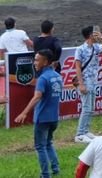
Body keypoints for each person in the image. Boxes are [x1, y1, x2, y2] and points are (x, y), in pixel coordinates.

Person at [15, 49, 62, 178]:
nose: (34, 62)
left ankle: (45, 174)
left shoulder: (42, 78)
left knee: (40, 146)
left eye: (37, 60)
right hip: (54, 118)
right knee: (48, 143)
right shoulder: (58, 76)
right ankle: (56, 170)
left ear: (45, 62)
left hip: (42, 118)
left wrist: (24, 113)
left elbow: (37, 97)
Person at [74, 25, 102, 143]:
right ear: (90, 35)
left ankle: (86, 131)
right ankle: (80, 134)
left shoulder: (96, 46)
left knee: (91, 108)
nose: (97, 34)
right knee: (86, 107)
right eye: (95, 33)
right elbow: (77, 67)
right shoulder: (80, 49)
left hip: (94, 81)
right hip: (85, 81)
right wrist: (81, 83)